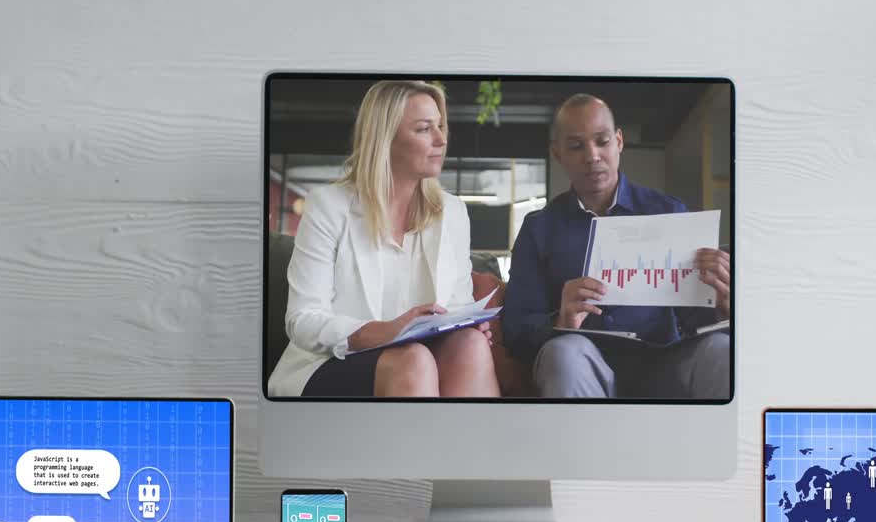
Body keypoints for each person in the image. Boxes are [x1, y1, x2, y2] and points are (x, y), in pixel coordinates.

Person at [268, 80, 498, 398]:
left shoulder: (452, 211)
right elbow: (303, 320)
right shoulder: (328, 206)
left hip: (423, 354)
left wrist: (465, 324)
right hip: (330, 360)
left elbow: (457, 304)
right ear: (384, 139)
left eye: (441, 127)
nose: (441, 140)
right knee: (413, 361)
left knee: (470, 345)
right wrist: (381, 333)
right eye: (423, 129)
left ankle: (473, 448)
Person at [502, 94, 730, 398]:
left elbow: (695, 321)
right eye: (576, 146)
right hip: (581, 360)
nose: (592, 155)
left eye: (602, 141)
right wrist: (560, 321)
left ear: (619, 142)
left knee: (721, 350)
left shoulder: (669, 212)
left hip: (664, 361)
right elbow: (516, 332)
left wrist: (722, 304)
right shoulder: (539, 228)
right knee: (563, 353)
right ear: (557, 153)